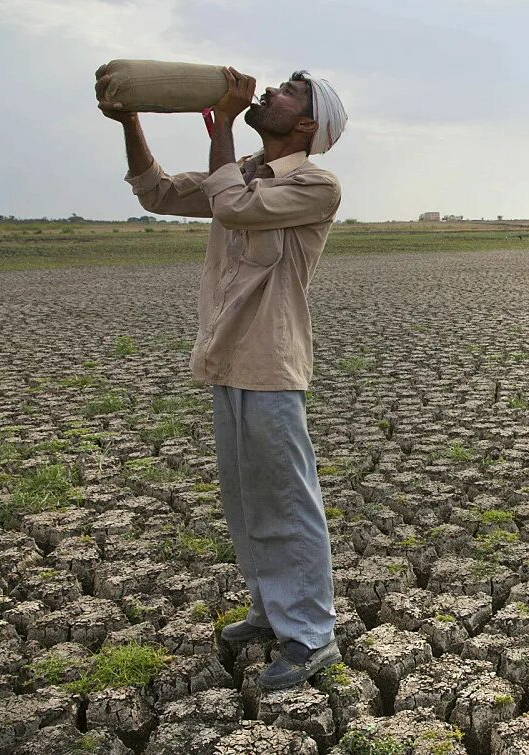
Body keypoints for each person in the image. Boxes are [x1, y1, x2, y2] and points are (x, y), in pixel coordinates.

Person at [96, 66, 348, 689]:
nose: (269, 92)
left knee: (288, 500)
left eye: (288, 91)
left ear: (309, 123)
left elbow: (232, 207)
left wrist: (226, 127)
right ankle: (271, 612)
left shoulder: (316, 184)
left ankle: (312, 636)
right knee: (246, 499)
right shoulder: (246, 173)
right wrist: (132, 121)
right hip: (227, 359)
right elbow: (156, 191)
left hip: (270, 361)